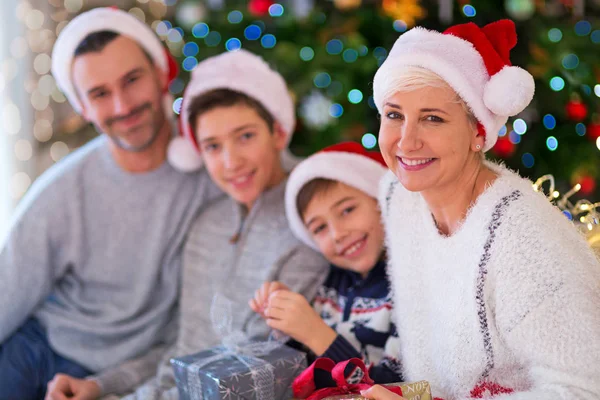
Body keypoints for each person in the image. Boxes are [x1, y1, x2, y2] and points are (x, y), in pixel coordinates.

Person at [47, 49, 329, 400]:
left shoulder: (308, 224)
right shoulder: (206, 223)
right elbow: (180, 348)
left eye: (245, 136)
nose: (231, 162)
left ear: (278, 133)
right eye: (212, 146)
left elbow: (246, 374)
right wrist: (101, 385)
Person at [362, 19, 600, 400]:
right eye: (394, 115)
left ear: (478, 133)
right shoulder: (399, 196)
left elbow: (585, 389)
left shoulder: (523, 238)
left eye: (432, 118)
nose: (406, 141)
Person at [0, 7, 221, 400]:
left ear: (160, 74)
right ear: (83, 107)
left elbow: (284, 176)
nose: (122, 106)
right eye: (100, 93)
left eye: (132, 80)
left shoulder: (215, 163)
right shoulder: (62, 191)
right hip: (37, 351)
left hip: (125, 370)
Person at [251, 142, 403, 384]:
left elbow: (392, 387)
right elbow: (305, 374)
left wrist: (316, 333)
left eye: (346, 210)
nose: (337, 234)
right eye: (320, 228)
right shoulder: (330, 282)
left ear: (380, 201)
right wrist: (289, 326)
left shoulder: (409, 288)